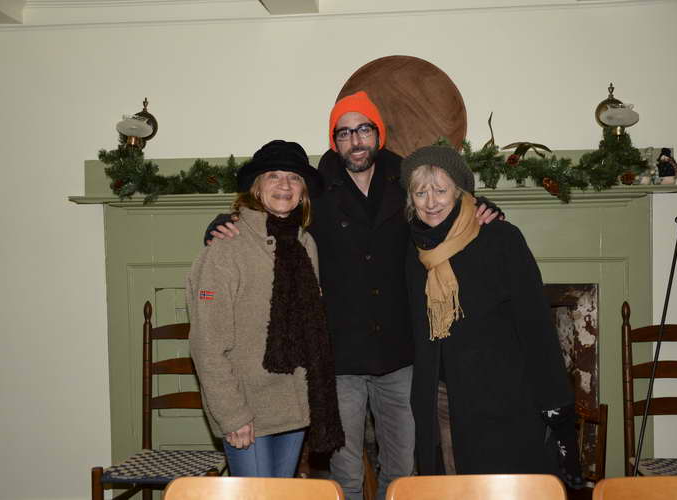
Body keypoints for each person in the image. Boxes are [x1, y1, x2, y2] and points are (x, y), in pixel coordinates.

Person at [203, 92, 500, 499]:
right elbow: (271, 217)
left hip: (400, 355)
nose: (356, 140)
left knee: (401, 473)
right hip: (338, 360)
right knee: (344, 478)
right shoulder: (315, 189)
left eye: (363, 129)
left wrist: (479, 206)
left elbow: (441, 205)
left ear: (379, 133)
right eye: (344, 133)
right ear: (334, 140)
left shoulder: (406, 181)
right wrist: (224, 221)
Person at [400, 145, 578, 478]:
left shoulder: (501, 238)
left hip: (502, 397)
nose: (431, 202)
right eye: (420, 193)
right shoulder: (413, 251)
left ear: (460, 192)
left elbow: (535, 324)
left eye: (441, 190)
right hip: (441, 399)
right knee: (452, 488)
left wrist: (554, 399)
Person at [186, 139, 344, 478]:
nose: (285, 185)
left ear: (303, 192)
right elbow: (206, 344)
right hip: (246, 410)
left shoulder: (306, 244)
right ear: (256, 188)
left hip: (293, 408)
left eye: (294, 178)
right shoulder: (226, 249)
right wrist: (232, 414)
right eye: (274, 175)